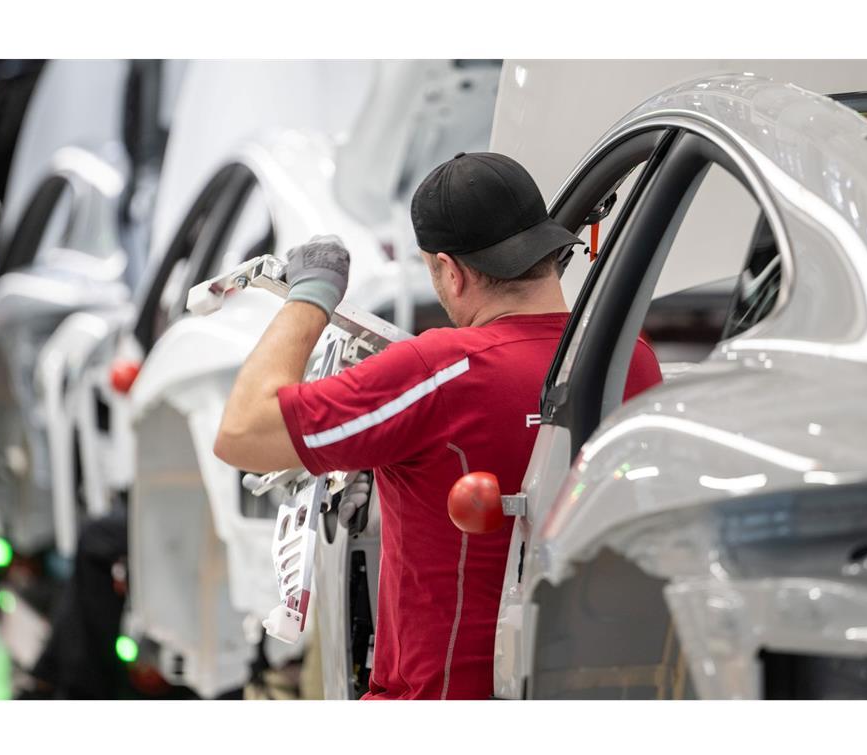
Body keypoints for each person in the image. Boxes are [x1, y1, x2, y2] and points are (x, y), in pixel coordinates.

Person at [213, 152, 661, 699]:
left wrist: (310, 296)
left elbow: (241, 433)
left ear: (450, 271)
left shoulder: (440, 372)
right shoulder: (631, 361)